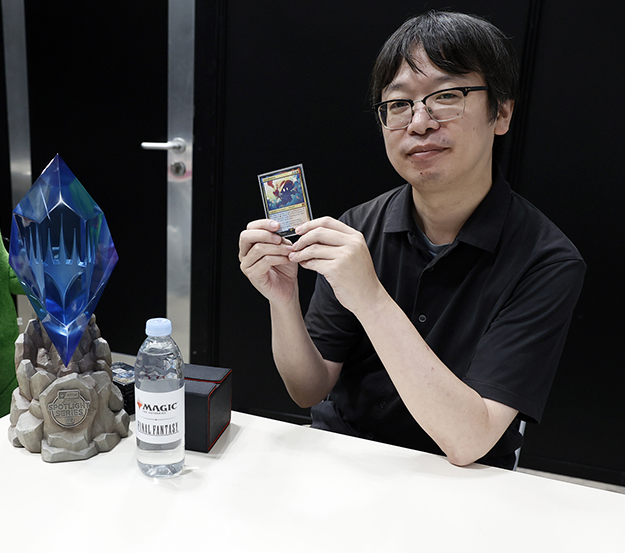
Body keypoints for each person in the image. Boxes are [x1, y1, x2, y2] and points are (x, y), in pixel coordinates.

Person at [237, 11, 585, 469]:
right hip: (347, 457)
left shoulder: (547, 262)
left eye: (446, 96)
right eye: (399, 104)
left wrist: (371, 299)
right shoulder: (359, 227)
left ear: (501, 112)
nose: (419, 122)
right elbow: (309, 389)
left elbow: (468, 441)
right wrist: (282, 300)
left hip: (461, 478)